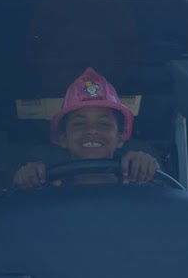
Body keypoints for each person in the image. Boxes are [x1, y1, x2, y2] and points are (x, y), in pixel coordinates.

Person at [12, 67, 160, 188]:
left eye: (103, 123)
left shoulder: (139, 190)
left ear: (120, 137)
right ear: (63, 138)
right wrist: (29, 179)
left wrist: (148, 171)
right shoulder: (46, 192)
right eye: (79, 124)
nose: (92, 130)